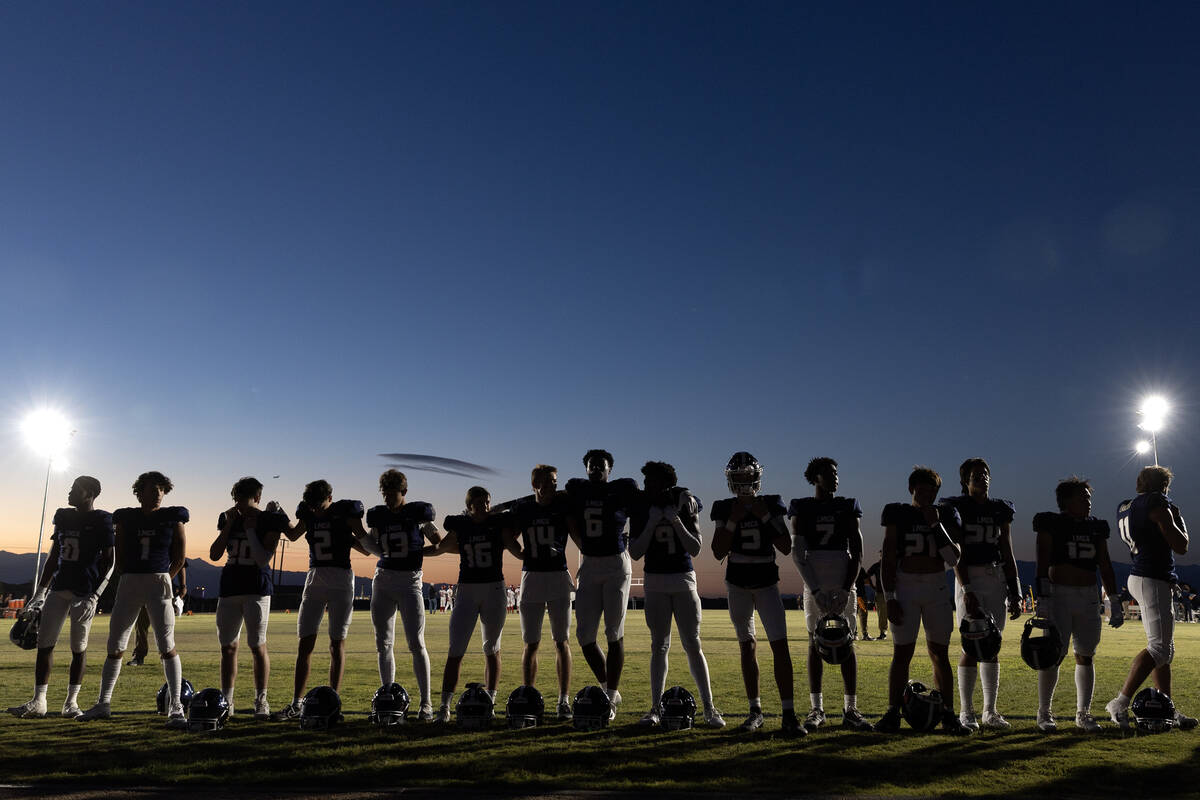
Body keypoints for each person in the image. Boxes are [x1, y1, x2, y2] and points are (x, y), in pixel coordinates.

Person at [78, 471, 188, 726]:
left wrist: (165, 578)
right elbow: (121, 554)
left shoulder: (174, 517)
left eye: (161, 489)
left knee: (166, 645)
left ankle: (176, 707)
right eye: (152, 489)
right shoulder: (126, 517)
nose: (158, 494)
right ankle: (103, 703)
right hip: (130, 581)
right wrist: (129, 577)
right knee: (115, 645)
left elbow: (180, 557)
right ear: (139, 492)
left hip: (158, 580)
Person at [7, 476, 114, 719]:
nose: (70, 492)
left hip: (84, 591)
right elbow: (54, 556)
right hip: (60, 587)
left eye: (76, 489)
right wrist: (40, 593)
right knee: (44, 645)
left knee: (79, 648)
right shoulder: (64, 516)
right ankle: (39, 701)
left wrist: (95, 595)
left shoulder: (102, 519)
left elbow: (110, 560)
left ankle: (71, 703)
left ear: (89, 493)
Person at [874, 467, 970, 735]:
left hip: (936, 587)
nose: (927, 494)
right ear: (911, 489)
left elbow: (953, 559)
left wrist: (934, 524)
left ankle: (949, 714)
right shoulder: (898, 513)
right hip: (905, 587)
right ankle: (892, 712)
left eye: (932, 490)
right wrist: (890, 596)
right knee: (901, 653)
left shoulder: (946, 513)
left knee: (939, 653)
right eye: (922, 489)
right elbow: (889, 558)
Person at [711, 452, 800, 734]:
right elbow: (717, 551)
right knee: (747, 646)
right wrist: (733, 521)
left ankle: (789, 714)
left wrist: (764, 516)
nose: (744, 481)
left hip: (766, 583)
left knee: (779, 645)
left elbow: (786, 546)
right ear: (731, 481)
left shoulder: (771, 504)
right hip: (737, 583)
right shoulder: (725, 508)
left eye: (748, 476)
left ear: (757, 477)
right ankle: (755, 711)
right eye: (738, 477)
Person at [629, 461, 724, 728]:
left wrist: (675, 520)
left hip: (683, 579)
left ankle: (709, 708)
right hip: (655, 581)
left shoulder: (684, 501)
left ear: (665, 483)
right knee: (659, 646)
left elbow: (694, 548)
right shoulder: (642, 507)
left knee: (693, 644)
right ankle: (655, 708)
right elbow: (635, 552)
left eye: (651, 482)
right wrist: (651, 524)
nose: (646, 487)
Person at [1107, 466, 1196, 730]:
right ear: (1164, 486)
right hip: (1151, 576)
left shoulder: (1126, 505)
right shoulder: (1157, 502)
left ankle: (1166, 706)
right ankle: (1120, 702)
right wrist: (1177, 518)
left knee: (1164, 651)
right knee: (1159, 648)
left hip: (1144, 576)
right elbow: (1181, 546)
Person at [1031, 477, 1122, 732]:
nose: (1089, 502)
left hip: (1088, 595)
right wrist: (1043, 597)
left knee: (1086, 654)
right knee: (1053, 656)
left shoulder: (1096, 527)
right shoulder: (1051, 523)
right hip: (1058, 594)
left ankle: (1083, 713)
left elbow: (1105, 564)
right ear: (1067, 500)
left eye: (1089, 497)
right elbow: (1041, 563)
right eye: (1083, 497)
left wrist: (1114, 598)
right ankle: (1044, 712)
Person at [273, 480, 369, 720]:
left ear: (330, 497)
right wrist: (281, 516)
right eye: (312, 505)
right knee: (305, 643)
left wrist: (357, 537)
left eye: (319, 504)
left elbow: (366, 549)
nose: (316, 509)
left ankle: (333, 702)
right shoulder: (309, 514)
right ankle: (296, 703)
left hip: (340, 579)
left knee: (337, 643)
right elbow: (294, 535)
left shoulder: (345, 514)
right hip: (315, 577)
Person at [788, 457, 871, 732]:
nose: (834, 476)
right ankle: (817, 708)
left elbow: (858, 553)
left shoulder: (847, 506)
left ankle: (851, 708)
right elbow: (798, 554)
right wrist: (814, 589)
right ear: (815, 477)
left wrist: (847, 589)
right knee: (815, 641)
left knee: (848, 641)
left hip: (842, 575)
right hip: (815, 577)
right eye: (828, 472)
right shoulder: (802, 507)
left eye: (836, 472)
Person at [938, 458, 1021, 730]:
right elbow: (954, 553)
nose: (981, 477)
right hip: (969, 576)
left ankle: (990, 711)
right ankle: (966, 711)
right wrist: (966, 588)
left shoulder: (1000, 509)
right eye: (975, 474)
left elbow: (1007, 550)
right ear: (965, 480)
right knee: (971, 645)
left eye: (985, 473)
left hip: (996, 576)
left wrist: (1015, 588)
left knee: (991, 644)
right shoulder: (956, 507)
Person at [357, 469, 440, 720]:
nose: (387, 498)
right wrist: (360, 535)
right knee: (383, 643)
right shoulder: (379, 517)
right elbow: (374, 547)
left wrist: (417, 553)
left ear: (403, 491)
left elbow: (438, 542)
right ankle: (388, 696)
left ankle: (426, 703)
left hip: (410, 581)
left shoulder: (419, 516)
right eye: (384, 493)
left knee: (416, 643)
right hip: (383, 579)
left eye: (391, 493)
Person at [428, 486, 509, 722]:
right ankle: (444, 707)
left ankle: (490, 701)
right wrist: (414, 554)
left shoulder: (497, 524)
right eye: (478, 502)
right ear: (469, 505)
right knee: (456, 650)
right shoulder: (461, 526)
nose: (484, 506)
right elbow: (441, 548)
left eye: (487, 502)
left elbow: (513, 537)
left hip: (494, 588)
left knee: (492, 648)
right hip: (467, 589)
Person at [566, 449, 639, 712]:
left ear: (610, 470)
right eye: (591, 466)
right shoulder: (577, 490)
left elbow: (644, 505)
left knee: (613, 632)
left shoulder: (623, 489)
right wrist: (580, 542)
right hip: (589, 562)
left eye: (601, 466)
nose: (596, 469)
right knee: (584, 635)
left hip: (616, 562)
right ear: (585, 469)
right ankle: (609, 685)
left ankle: (610, 694)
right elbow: (568, 518)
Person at [504, 464, 578, 720]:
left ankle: (563, 700)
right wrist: (520, 553)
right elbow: (507, 534)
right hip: (532, 575)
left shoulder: (562, 505)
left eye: (554, 481)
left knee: (562, 641)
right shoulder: (524, 509)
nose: (551, 486)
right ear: (535, 484)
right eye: (546, 482)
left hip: (558, 574)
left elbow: (577, 535)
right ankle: (529, 696)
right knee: (531, 642)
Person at [212, 477, 288, 720]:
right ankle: (227, 700)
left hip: (256, 587)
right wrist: (228, 526)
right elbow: (214, 554)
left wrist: (250, 530)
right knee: (227, 648)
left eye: (244, 501)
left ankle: (261, 700)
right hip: (230, 587)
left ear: (257, 498)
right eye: (237, 501)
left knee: (257, 645)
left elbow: (262, 559)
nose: (240, 506)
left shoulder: (268, 520)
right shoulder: (229, 518)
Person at [864, 558, 888, 640]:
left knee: (886, 612)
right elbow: (867, 575)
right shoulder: (877, 565)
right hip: (881, 592)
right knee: (882, 613)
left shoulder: (890, 563)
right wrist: (872, 586)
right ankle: (883, 632)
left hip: (890, 590)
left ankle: (886, 632)